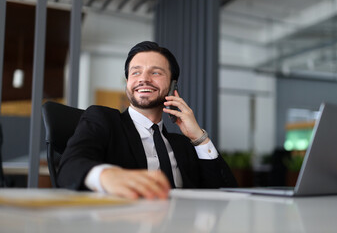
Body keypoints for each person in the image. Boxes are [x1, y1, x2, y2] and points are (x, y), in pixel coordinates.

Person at [57, 41, 237, 199]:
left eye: (156, 72)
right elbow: (69, 167)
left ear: (173, 86)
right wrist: (107, 176)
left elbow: (226, 191)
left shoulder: (183, 145)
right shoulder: (103, 120)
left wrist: (199, 137)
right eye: (135, 73)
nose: (143, 79)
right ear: (128, 82)